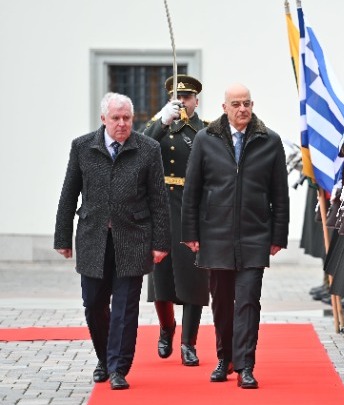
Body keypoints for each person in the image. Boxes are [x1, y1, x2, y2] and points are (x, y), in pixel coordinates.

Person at [54, 92, 171, 390]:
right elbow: (69, 194)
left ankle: (119, 367)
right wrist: (62, 237)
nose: (122, 123)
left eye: (127, 118)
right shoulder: (82, 147)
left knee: (125, 307)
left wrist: (161, 242)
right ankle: (104, 358)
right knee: (93, 304)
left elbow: (159, 200)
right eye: (116, 118)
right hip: (93, 238)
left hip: (133, 238)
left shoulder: (148, 149)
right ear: (103, 119)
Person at [181, 83, 290, 388]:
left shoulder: (269, 141)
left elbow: (280, 193)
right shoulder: (206, 139)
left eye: (247, 103)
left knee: (248, 301)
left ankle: (245, 366)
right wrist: (190, 232)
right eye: (236, 104)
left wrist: (278, 234)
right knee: (221, 303)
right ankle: (224, 358)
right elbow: (192, 190)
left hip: (255, 234)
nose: (243, 109)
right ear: (224, 108)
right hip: (215, 234)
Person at [143, 74, 209, 366]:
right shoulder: (158, 127)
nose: (182, 102)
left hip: (192, 210)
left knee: (194, 279)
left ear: (196, 101)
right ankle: (166, 327)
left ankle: (188, 343)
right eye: (177, 97)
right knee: (161, 280)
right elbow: (138, 148)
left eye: (187, 97)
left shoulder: (205, 131)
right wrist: (162, 122)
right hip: (161, 209)